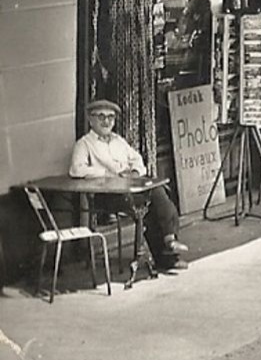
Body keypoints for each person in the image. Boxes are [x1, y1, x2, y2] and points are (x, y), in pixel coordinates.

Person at [70, 99, 188, 271]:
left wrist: (134, 173)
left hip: (130, 191)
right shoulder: (84, 144)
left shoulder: (119, 141)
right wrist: (106, 174)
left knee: (154, 200)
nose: (106, 121)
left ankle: (168, 253)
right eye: (101, 116)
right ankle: (169, 245)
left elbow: (138, 160)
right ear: (91, 120)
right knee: (154, 196)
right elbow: (75, 169)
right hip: (107, 196)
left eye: (111, 117)